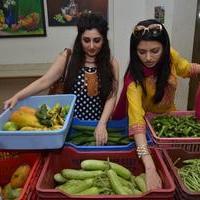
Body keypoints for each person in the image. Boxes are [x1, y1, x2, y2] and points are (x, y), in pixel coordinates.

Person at [4, 13, 119, 146]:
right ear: (79, 39)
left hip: (98, 127)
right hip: (67, 127)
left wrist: (102, 124)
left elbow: (112, 95)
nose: (92, 46)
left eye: (97, 40)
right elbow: (45, 81)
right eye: (86, 40)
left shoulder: (111, 63)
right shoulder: (68, 58)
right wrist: (17, 96)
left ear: (104, 40)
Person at [113, 19, 200, 191]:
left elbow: (185, 68)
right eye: (141, 52)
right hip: (149, 130)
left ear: (165, 48)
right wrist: (150, 167)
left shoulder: (170, 57)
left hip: (171, 123)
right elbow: (137, 123)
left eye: (155, 51)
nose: (148, 58)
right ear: (134, 51)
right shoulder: (133, 81)